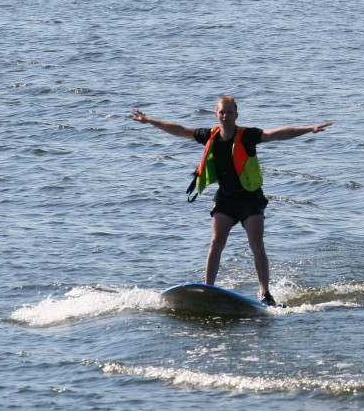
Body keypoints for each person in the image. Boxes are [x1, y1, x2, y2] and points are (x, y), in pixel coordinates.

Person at [131, 97, 332, 306]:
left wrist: (309, 129)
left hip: (250, 198)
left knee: (256, 244)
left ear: (236, 115)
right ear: (216, 115)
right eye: (222, 112)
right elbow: (180, 130)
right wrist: (150, 120)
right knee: (216, 243)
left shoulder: (247, 136)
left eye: (229, 112)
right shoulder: (209, 135)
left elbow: (277, 134)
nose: (225, 116)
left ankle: (265, 293)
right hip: (226, 198)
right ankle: (207, 289)